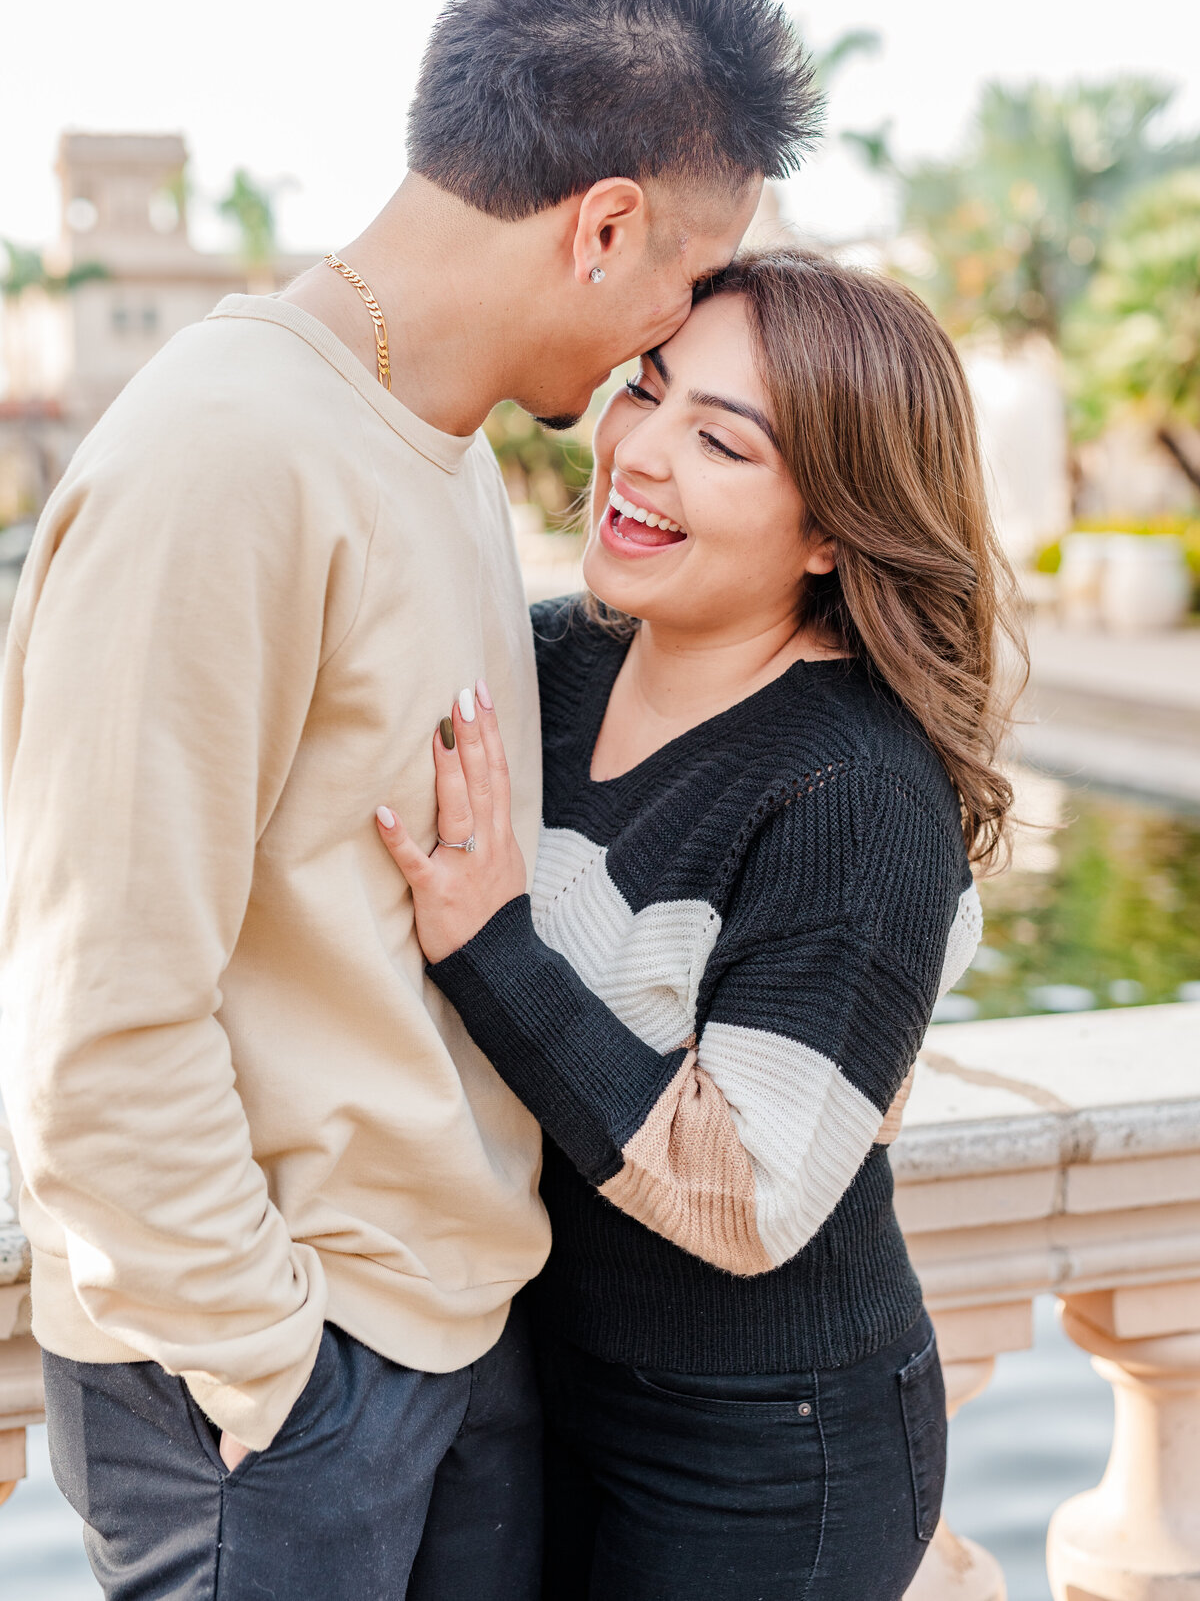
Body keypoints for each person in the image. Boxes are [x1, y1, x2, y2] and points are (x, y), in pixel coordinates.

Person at [0, 0, 819, 1600]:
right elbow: (94, 1015)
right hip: (279, 1396)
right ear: (603, 224)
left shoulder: (433, 445)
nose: (649, 358)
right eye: (678, 284)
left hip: (449, 1335)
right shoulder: (223, 458)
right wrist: (274, 1372)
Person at [375, 248, 1025, 1601]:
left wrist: (497, 944)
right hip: (542, 1379)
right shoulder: (547, 661)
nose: (641, 451)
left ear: (835, 528)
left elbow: (753, 1193)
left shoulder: (859, 793)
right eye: (646, 390)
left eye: (721, 440)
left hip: (771, 1454)